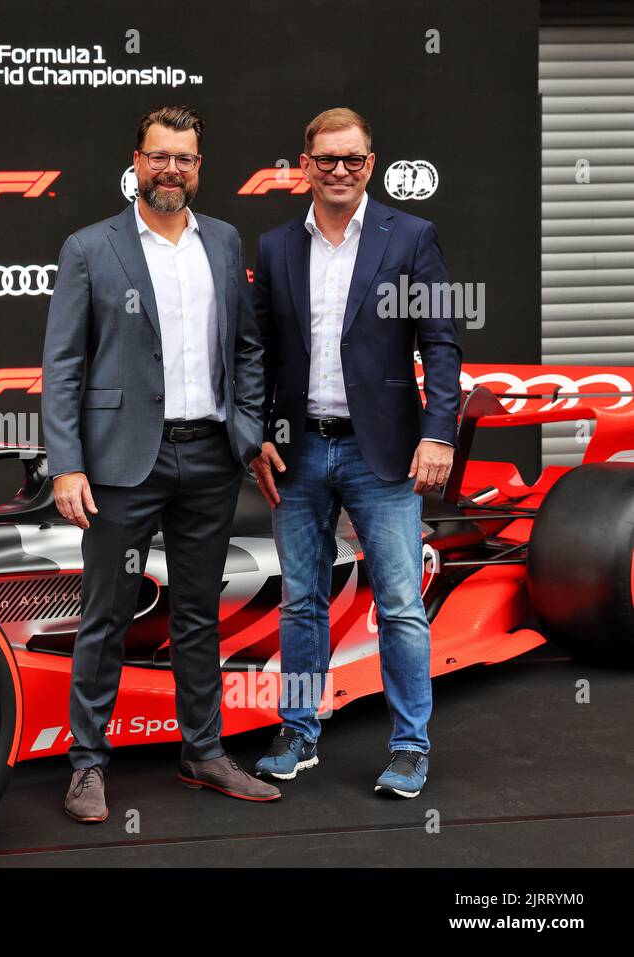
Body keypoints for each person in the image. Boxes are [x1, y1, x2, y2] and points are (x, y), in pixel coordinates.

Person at [42, 105, 278, 824]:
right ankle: (87, 764)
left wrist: (246, 427)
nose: (171, 169)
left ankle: (202, 751)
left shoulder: (225, 240)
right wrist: (67, 463)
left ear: (199, 168)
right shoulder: (90, 248)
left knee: (201, 614)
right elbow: (63, 366)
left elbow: (246, 347)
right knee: (105, 615)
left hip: (209, 456)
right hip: (120, 464)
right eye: (159, 156)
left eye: (185, 158)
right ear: (136, 161)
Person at [249, 108, 462, 798]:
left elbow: (441, 342)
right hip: (301, 451)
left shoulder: (412, 237)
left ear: (370, 164)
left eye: (352, 159)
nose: (339, 170)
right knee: (302, 602)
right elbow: (259, 354)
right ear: (303, 164)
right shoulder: (278, 247)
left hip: (387, 454)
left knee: (400, 603)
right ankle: (298, 730)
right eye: (326, 159)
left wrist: (438, 432)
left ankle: (409, 745)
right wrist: (255, 433)